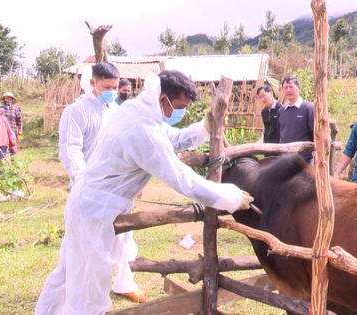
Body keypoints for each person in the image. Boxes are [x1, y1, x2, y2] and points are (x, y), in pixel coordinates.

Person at [35, 70, 254, 315]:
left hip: (86, 203)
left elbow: (172, 138)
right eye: (179, 106)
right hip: (96, 211)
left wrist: (203, 128)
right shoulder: (143, 131)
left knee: (67, 273)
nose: (178, 113)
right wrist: (230, 197)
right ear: (163, 99)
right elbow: (182, 179)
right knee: (89, 283)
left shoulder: (133, 112)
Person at [58, 62, 146, 303]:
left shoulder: (114, 111)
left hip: (117, 191)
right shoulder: (76, 111)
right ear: (92, 83)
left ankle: (125, 284)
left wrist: (133, 182)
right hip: (89, 193)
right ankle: (77, 291)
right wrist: (85, 184)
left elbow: (124, 147)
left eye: (115, 87)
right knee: (85, 245)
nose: (112, 91)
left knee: (125, 238)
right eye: (106, 86)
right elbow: (70, 151)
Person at [277, 75, 315, 164]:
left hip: (304, 162)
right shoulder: (281, 111)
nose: (288, 90)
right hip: (284, 161)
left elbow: (315, 135)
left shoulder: (308, 108)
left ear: (299, 88)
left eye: (291, 87)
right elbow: (280, 135)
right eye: (285, 88)